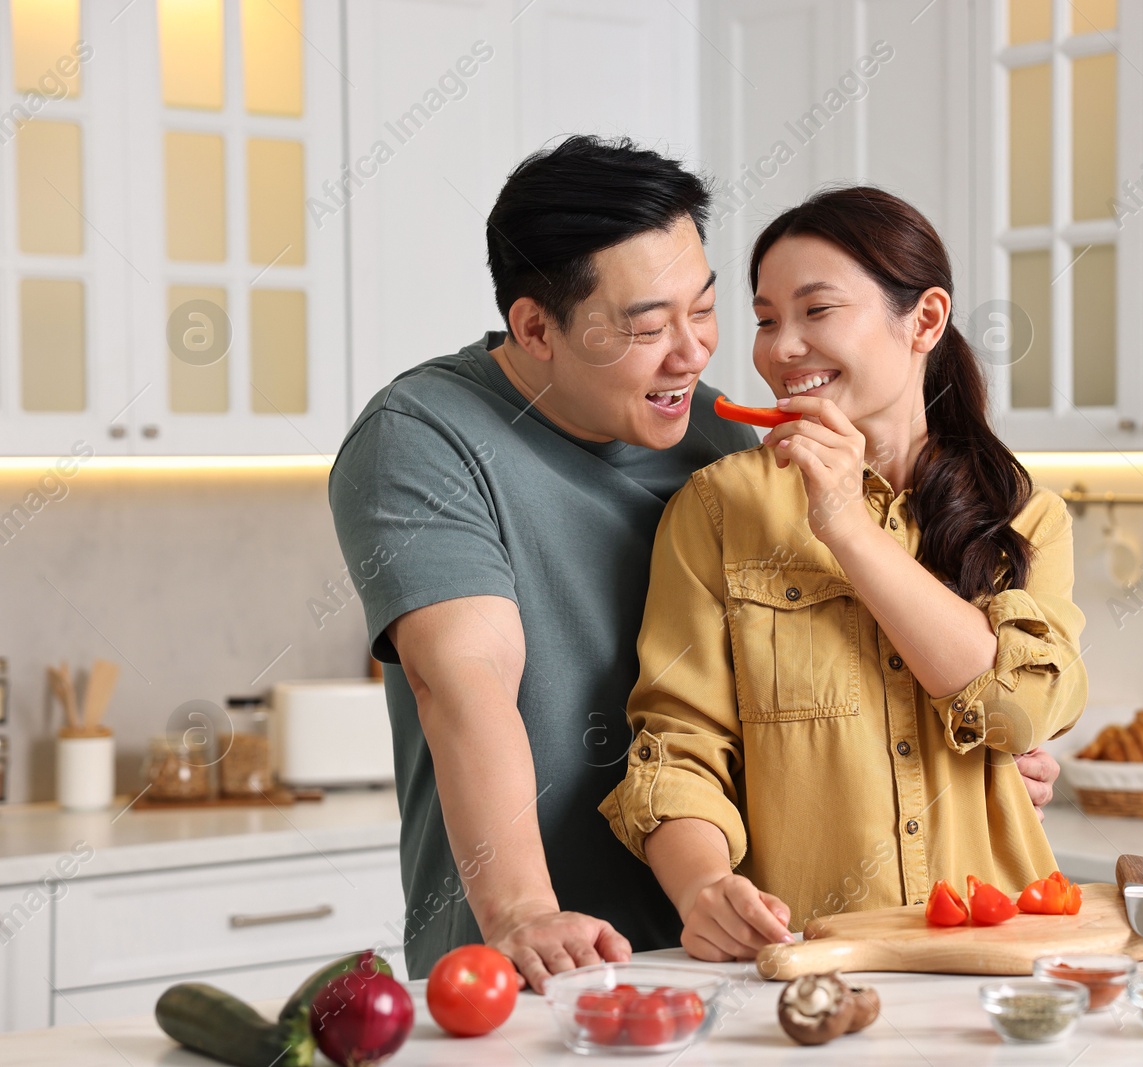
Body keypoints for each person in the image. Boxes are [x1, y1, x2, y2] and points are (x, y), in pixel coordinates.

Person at [328, 138, 1063, 990]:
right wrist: (523, 908)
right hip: (541, 960)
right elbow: (464, 677)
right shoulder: (422, 437)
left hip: (722, 958)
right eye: (647, 328)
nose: (693, 353)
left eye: (707, 310)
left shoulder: (715, 431)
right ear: (535, 328)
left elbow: (799, 670)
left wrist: (973, 757)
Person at [603, 186, 1089, 962]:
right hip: (811, 957)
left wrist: (846, 526)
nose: (780, 348)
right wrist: (701, 888)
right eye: (765, 320)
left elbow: (1018, 710)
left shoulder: (1024, 516)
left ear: (924, 320)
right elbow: (679, 750)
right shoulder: (718, 510)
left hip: (1003, 954)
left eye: (816, 311)